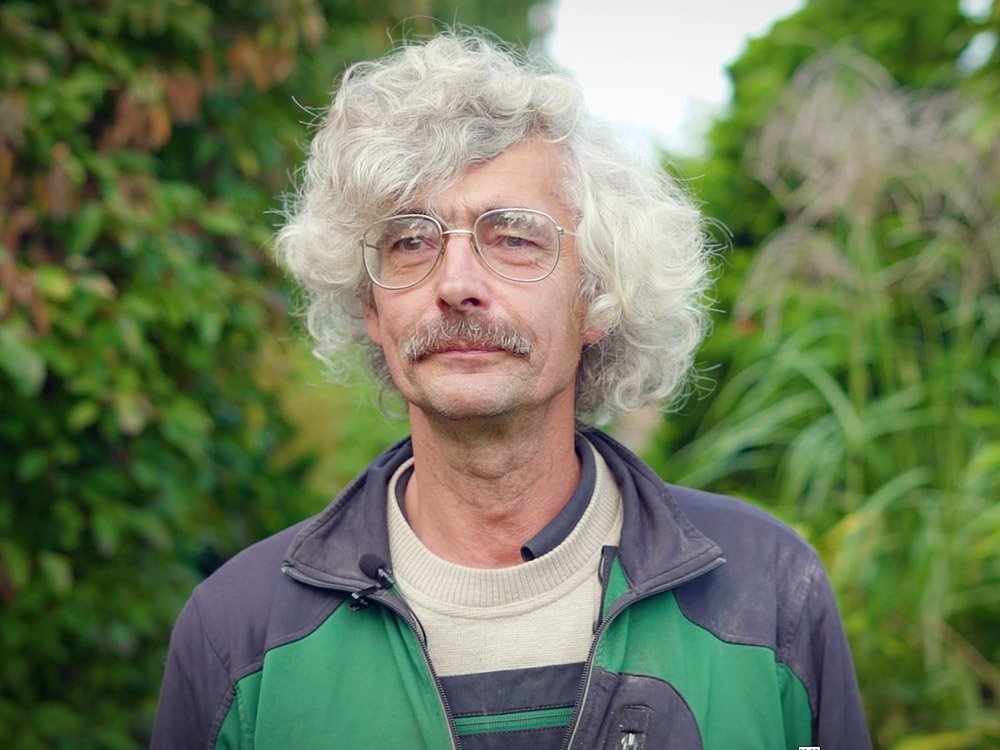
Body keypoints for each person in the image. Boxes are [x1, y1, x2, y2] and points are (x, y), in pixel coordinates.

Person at [152, 31, 870, 750]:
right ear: (371, 306)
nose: (456, 284)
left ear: (597, 298)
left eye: (514, 238)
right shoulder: (238, 635)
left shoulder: (768, 594)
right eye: (410, 241)